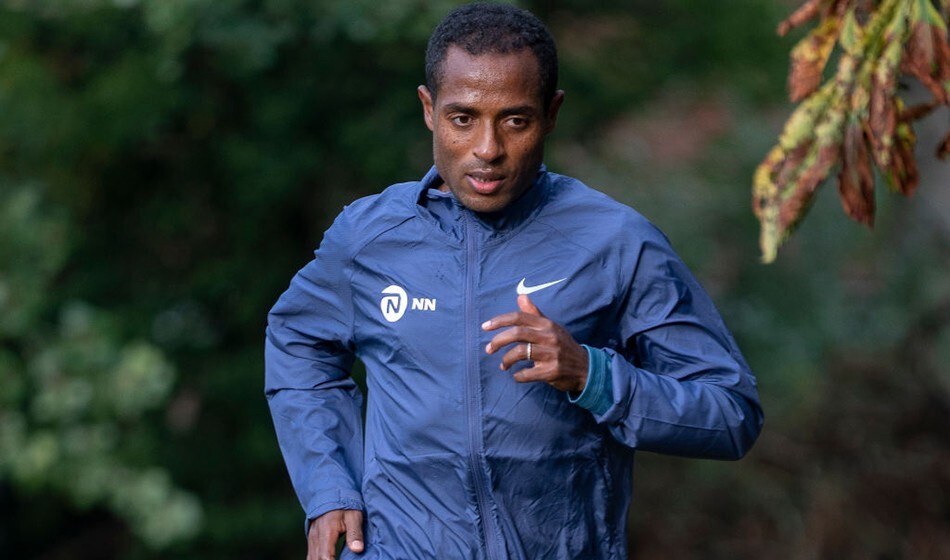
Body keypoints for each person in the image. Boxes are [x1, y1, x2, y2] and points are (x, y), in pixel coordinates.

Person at [265, 3, 763, 559]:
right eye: (463, 118)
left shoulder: (616, 242)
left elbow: (731, 415)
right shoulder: (369, 238)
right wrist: (329, 487)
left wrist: (592, 376)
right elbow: (297, 343)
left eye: (515, 121)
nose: (488, 149)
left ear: (551, 114)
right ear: (429, 109)